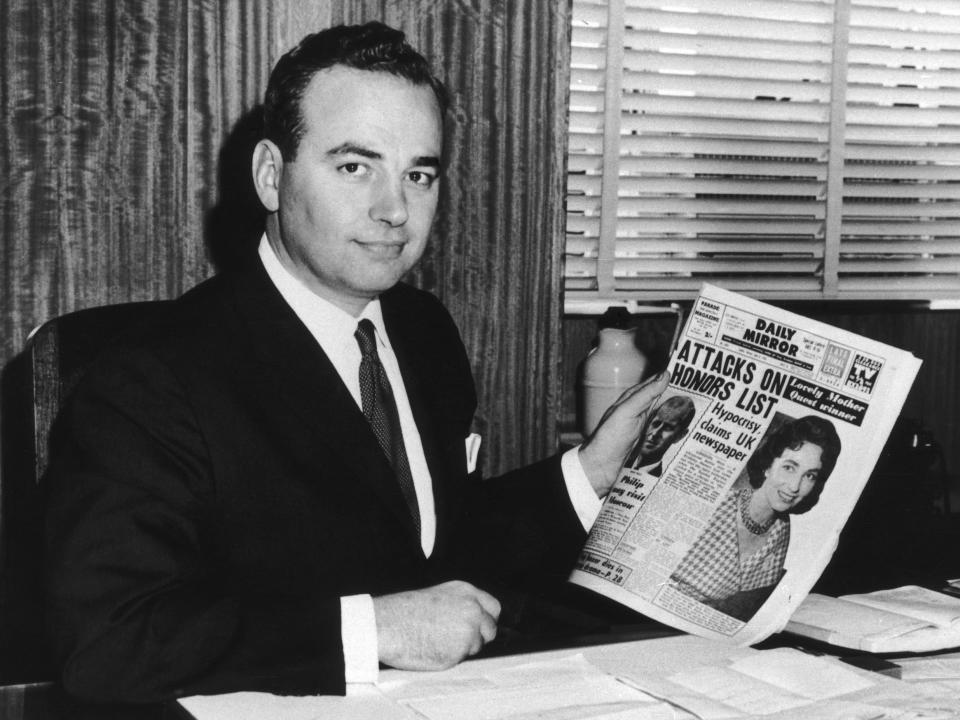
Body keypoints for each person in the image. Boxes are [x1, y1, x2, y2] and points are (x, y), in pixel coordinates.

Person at [42, 22, 668, 704]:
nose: (395, 209)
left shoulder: (423, 331)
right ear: (271, 177)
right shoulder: (150, 375)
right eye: (354, 167)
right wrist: (372, 630)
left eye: (418, 175)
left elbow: (434, 547)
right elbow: (108, 640)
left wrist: (591, 471)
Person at [669, 415, 841, 621]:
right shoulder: (716, 505)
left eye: (810, 475)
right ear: (768, 466)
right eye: (789, 467)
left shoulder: (781, 532)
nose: (795, 486)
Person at [622, 394, 695, 476]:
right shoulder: (622, 460)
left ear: (680, 436)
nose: (655, 433)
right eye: (656, 424)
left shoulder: (660, 476)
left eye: (668, 428)